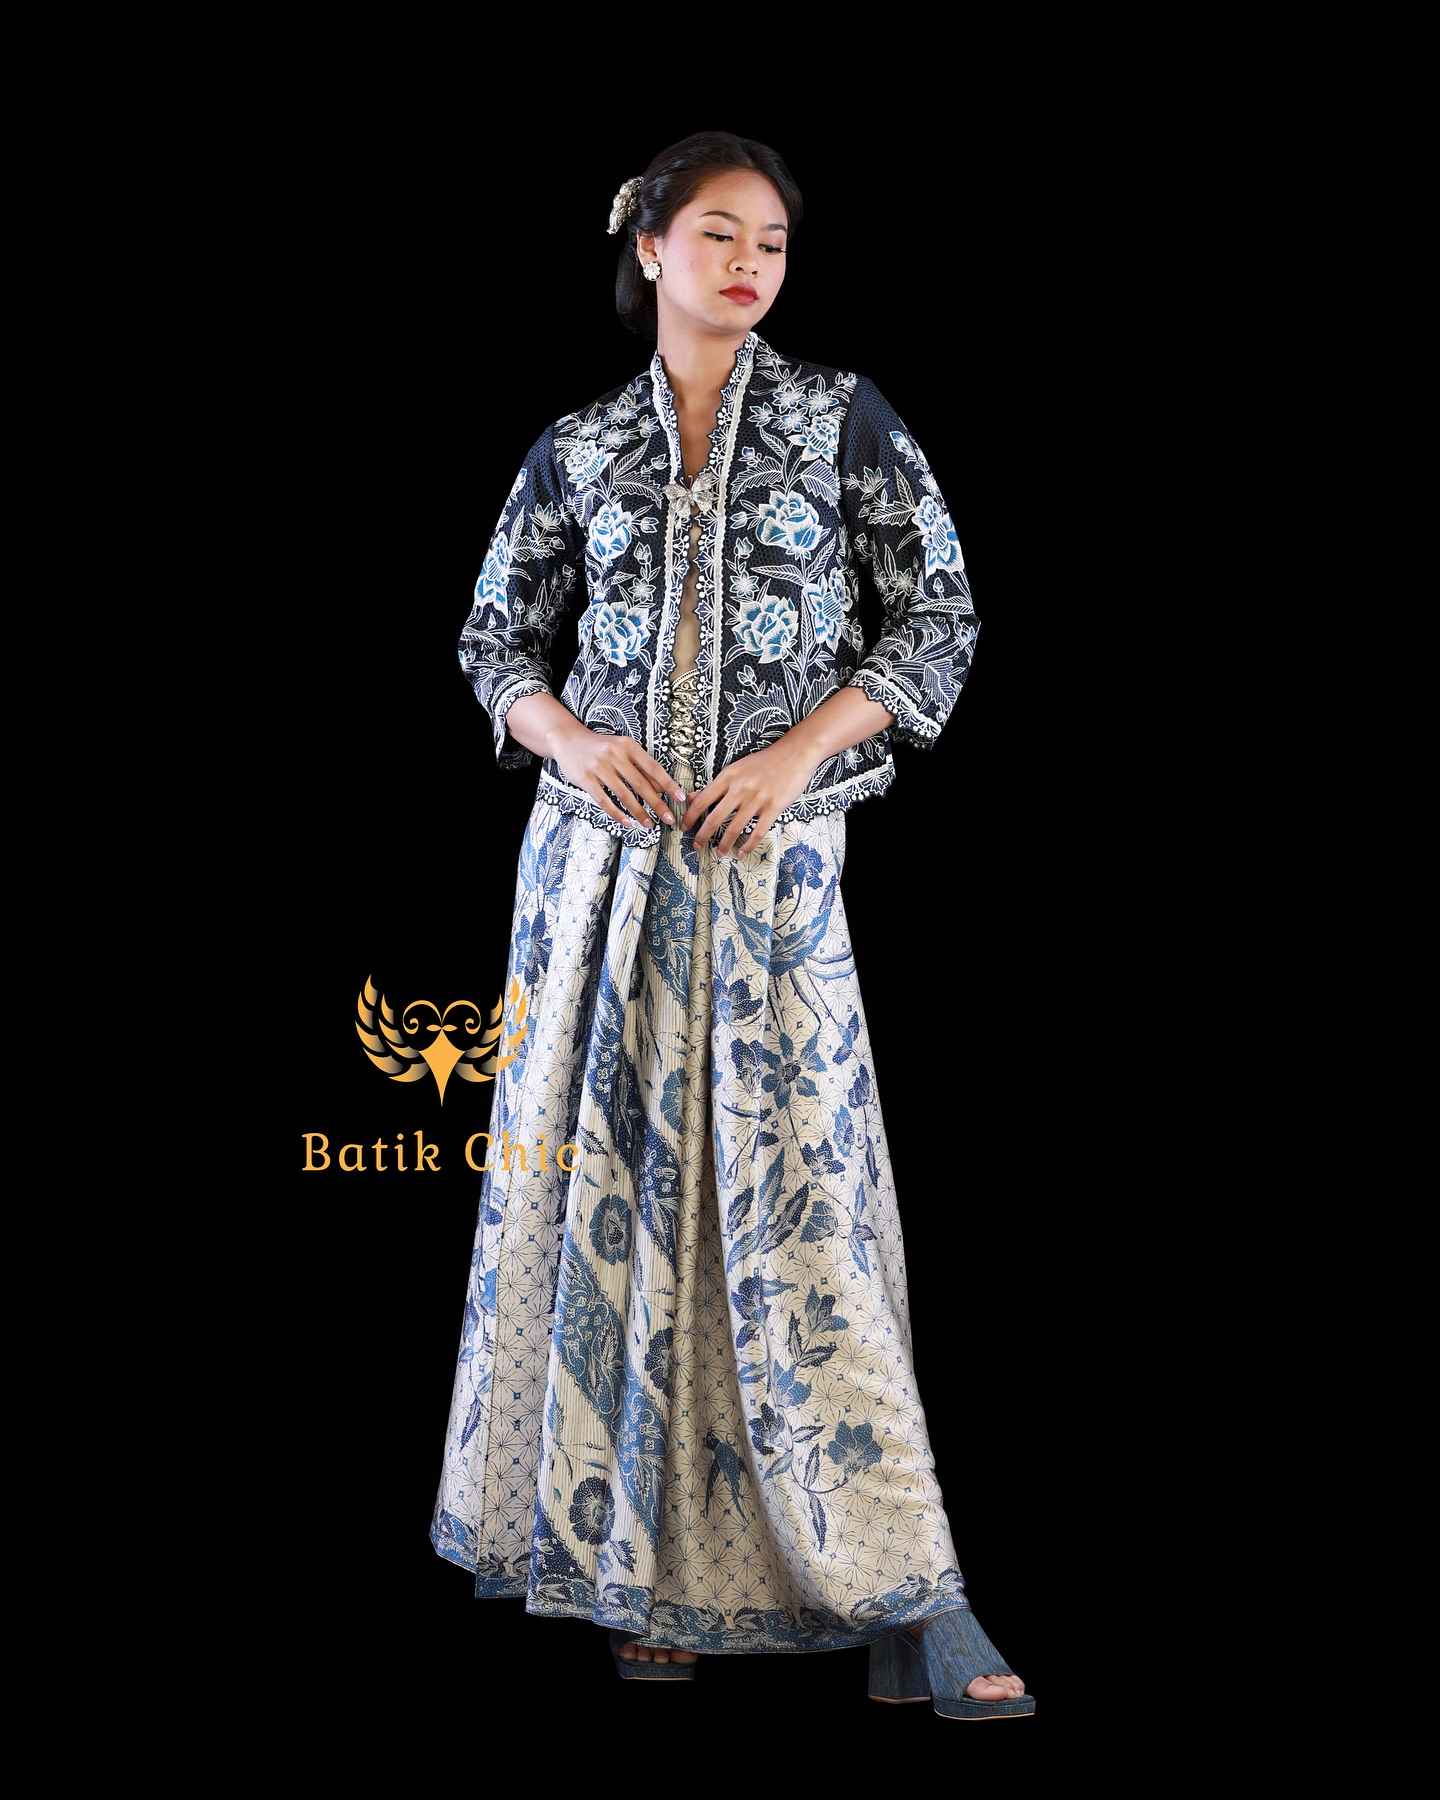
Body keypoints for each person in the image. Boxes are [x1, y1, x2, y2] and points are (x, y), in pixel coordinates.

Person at [430, 130, 1034, 1720]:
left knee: (802, 1222)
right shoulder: (577, 447)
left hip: (771, 877)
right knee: (615, 1213)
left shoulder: (843, 420)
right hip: (599, 883)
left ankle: (910, 1588)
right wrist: (572, 742)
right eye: (717, 233)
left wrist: (794, 755)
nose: (749, 263)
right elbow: (495, 636)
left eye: (769, 240)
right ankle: (636, 1570)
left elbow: (939, 614)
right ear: (649, 249)